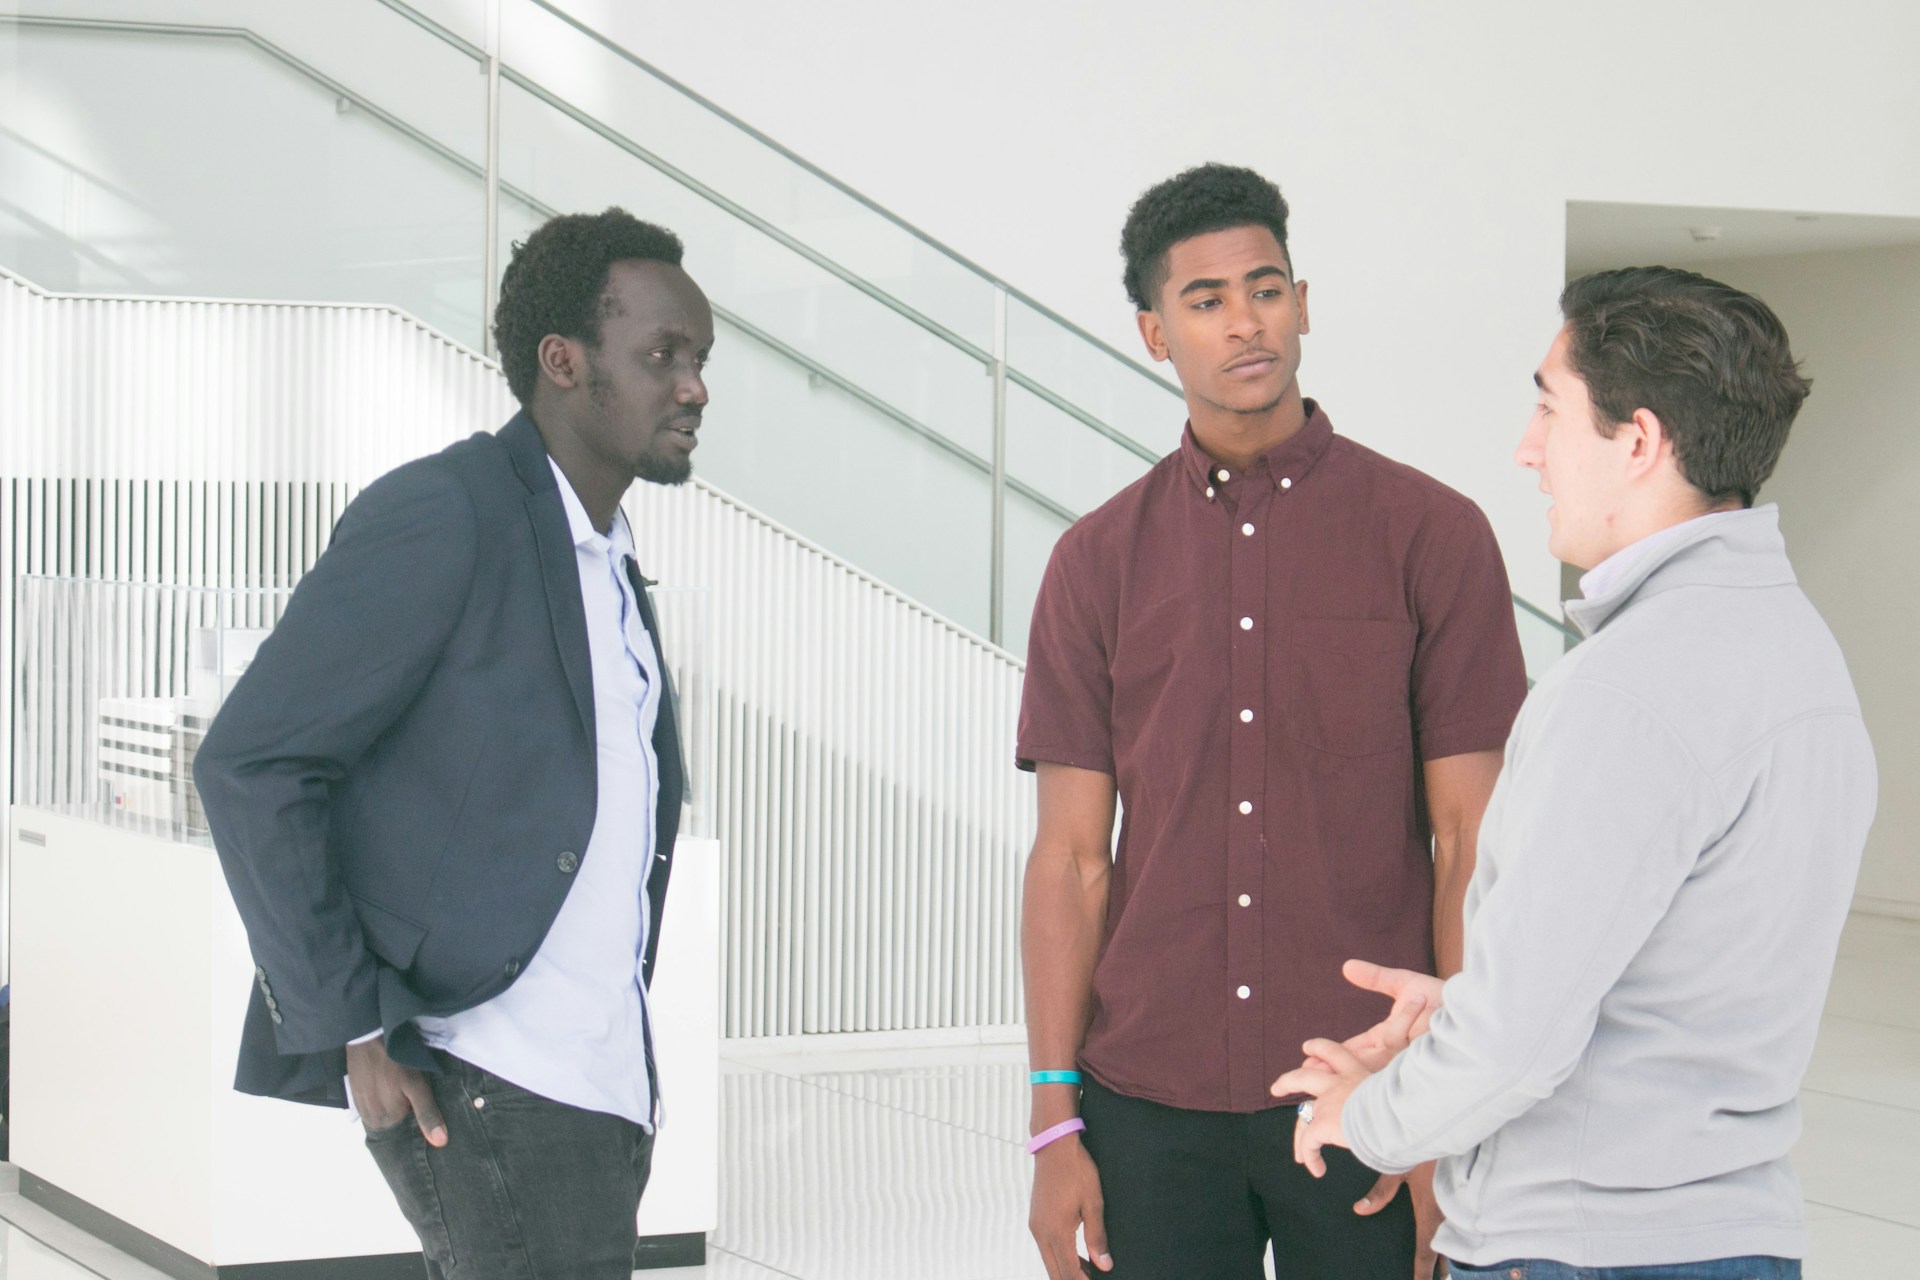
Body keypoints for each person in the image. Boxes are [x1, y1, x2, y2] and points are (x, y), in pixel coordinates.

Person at [1276, 266, 1877, 1280]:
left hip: (1585, 1249)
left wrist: (1366, 1113)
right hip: (1732, 1238)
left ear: (1638, 441)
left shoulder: (1628, 686)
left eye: (1550, 407)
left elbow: (1519, 1045)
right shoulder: (1802, 654)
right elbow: (1678, 972)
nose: (1527, 447)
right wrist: (1467, 1009)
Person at [1016, 163, 1527, 1280]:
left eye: (1266, 287)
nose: (1245, 321)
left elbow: (1471, 844)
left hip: (1373, 1098)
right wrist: (1057, 1124)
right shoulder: (1094, 562)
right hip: (1147, 1103)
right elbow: (1068, 859)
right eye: (1205, 300)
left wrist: (1454, 1115)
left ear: (1304, 298)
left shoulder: (1432, 536)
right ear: (1154, 332)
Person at [193, 207, 712, 1279]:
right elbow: (253, 760)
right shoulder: (451, 510)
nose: (695, 386)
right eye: (663, 355)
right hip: (495, 1075)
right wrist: (353, 1022)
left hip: (599, 1078)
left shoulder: (605, 554)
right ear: (562, 362)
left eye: (698, 359)